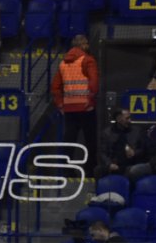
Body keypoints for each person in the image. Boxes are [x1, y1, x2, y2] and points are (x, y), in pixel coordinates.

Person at [52, 34, 99, 172]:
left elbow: (55, 87)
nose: (88, 46)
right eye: (86, 43)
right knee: (90, 141)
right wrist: (90, 99)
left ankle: (67, 171)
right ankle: (89, 171)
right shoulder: (88, 60)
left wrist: (60, 104)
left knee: (69, 141)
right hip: (86, 108)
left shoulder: (63, 63)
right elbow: (94, 83)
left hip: (69, 109)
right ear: (83, 45)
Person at [97, 108, 144, 179]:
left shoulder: (137, 131)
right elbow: (102, 153)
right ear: (118, 119)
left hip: (131, 164)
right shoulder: (107, 133)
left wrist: (134, 153)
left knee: (134, 170)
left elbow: (143, 149)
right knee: (98, 170)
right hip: (114, 163)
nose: (130, 121)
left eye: (130, 118)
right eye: (127, 118)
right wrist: (109, 164)